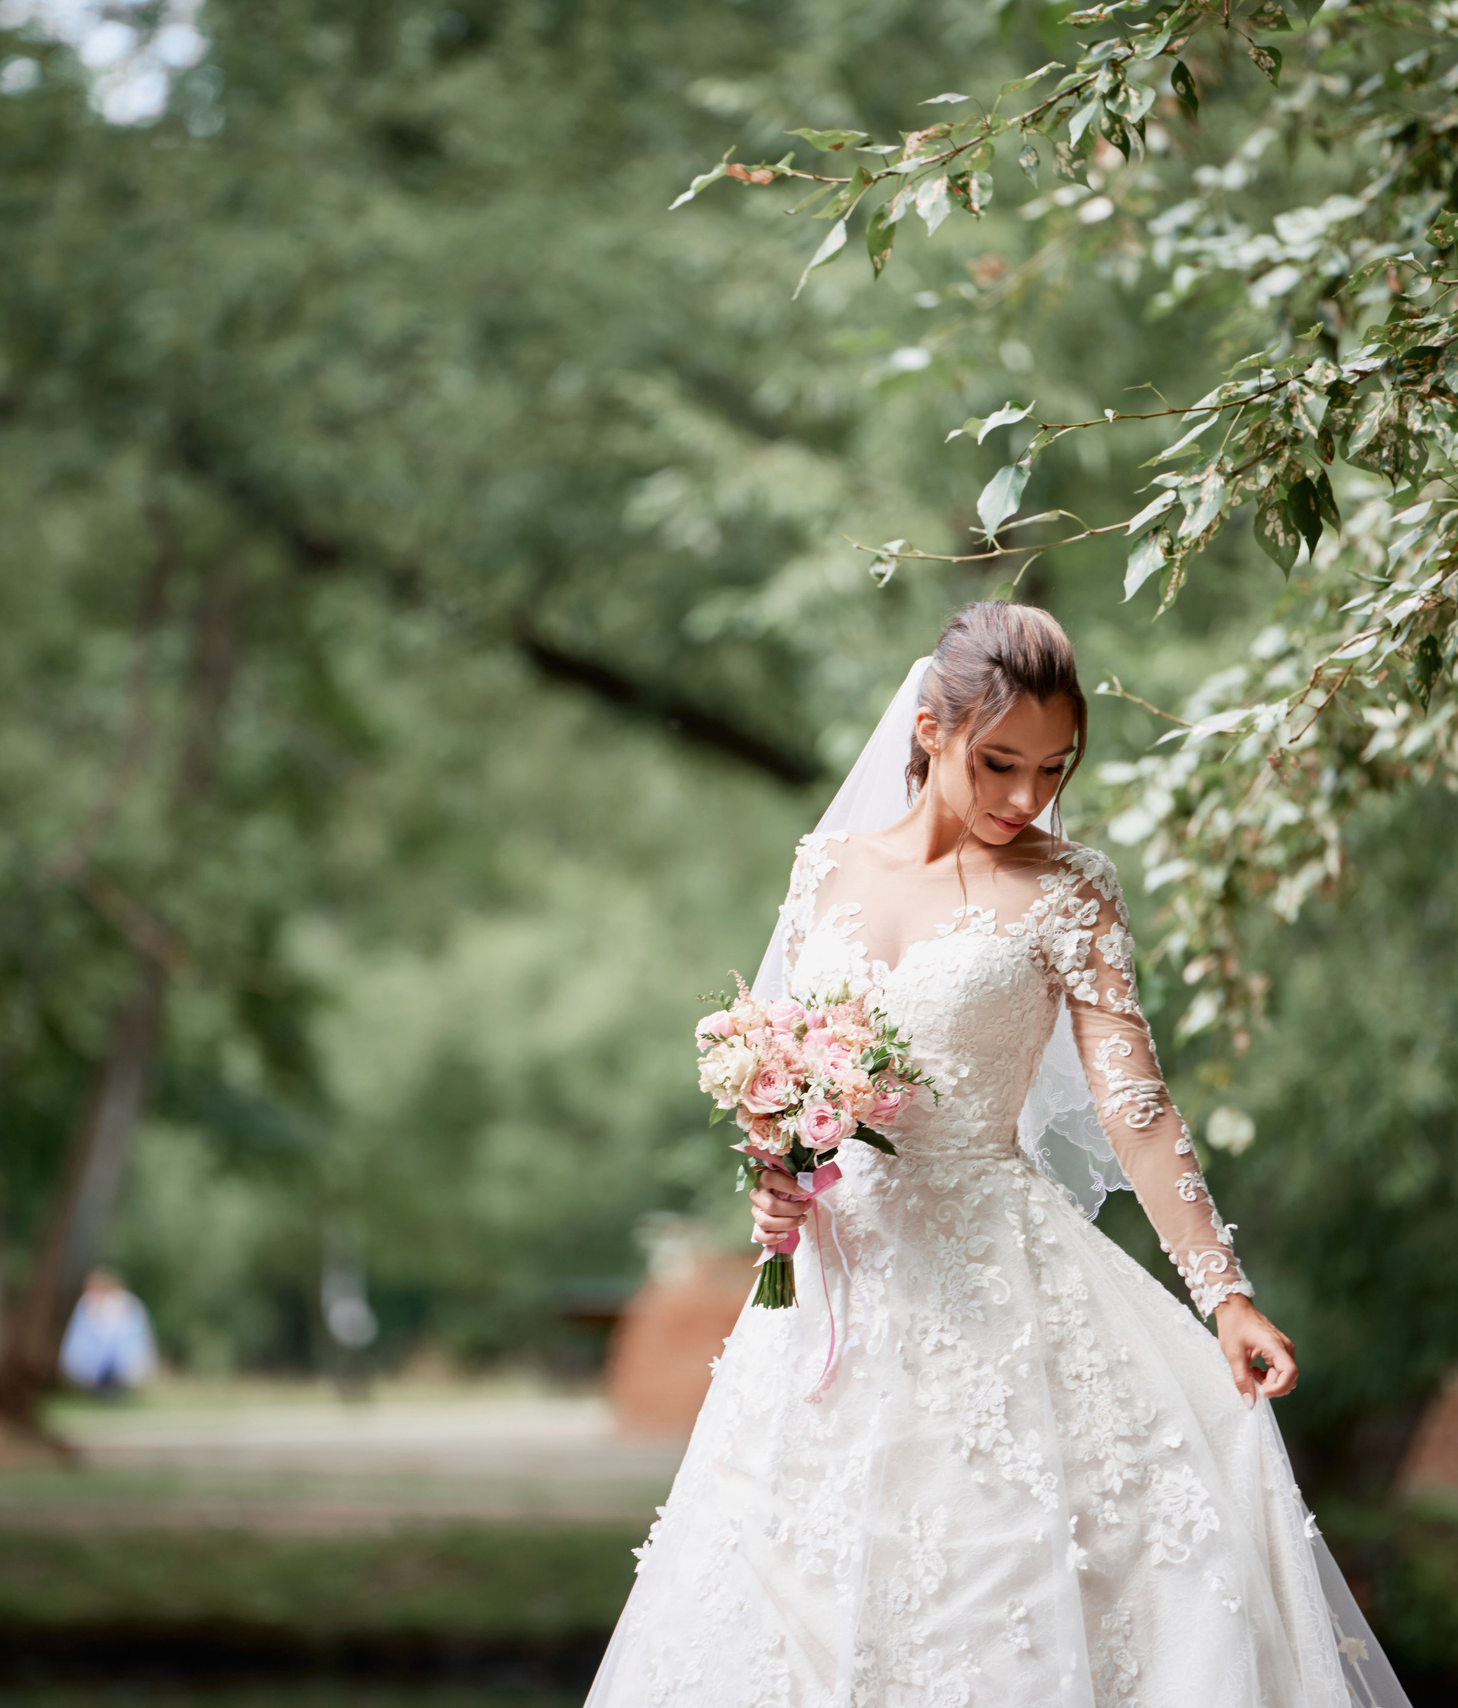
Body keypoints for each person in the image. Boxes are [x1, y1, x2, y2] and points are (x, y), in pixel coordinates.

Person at [587, 604, 1409, 1707]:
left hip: (995, 1288)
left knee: (997, 1597)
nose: (1026, 798)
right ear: (927, 731)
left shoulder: (1071, 889)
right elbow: (781, 1080)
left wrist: (1225, 1295)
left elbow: (1137, 1107)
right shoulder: (823, 868)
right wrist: (778, 1189)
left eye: (1054, 768)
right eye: (1000, 763)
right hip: (833, 1295)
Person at [59, 1267, 157, 1394]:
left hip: (123, 1363)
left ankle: (111, 1385)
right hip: (89, 1364)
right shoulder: (85, 1305)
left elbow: (132, 1341)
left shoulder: (128, 1305)